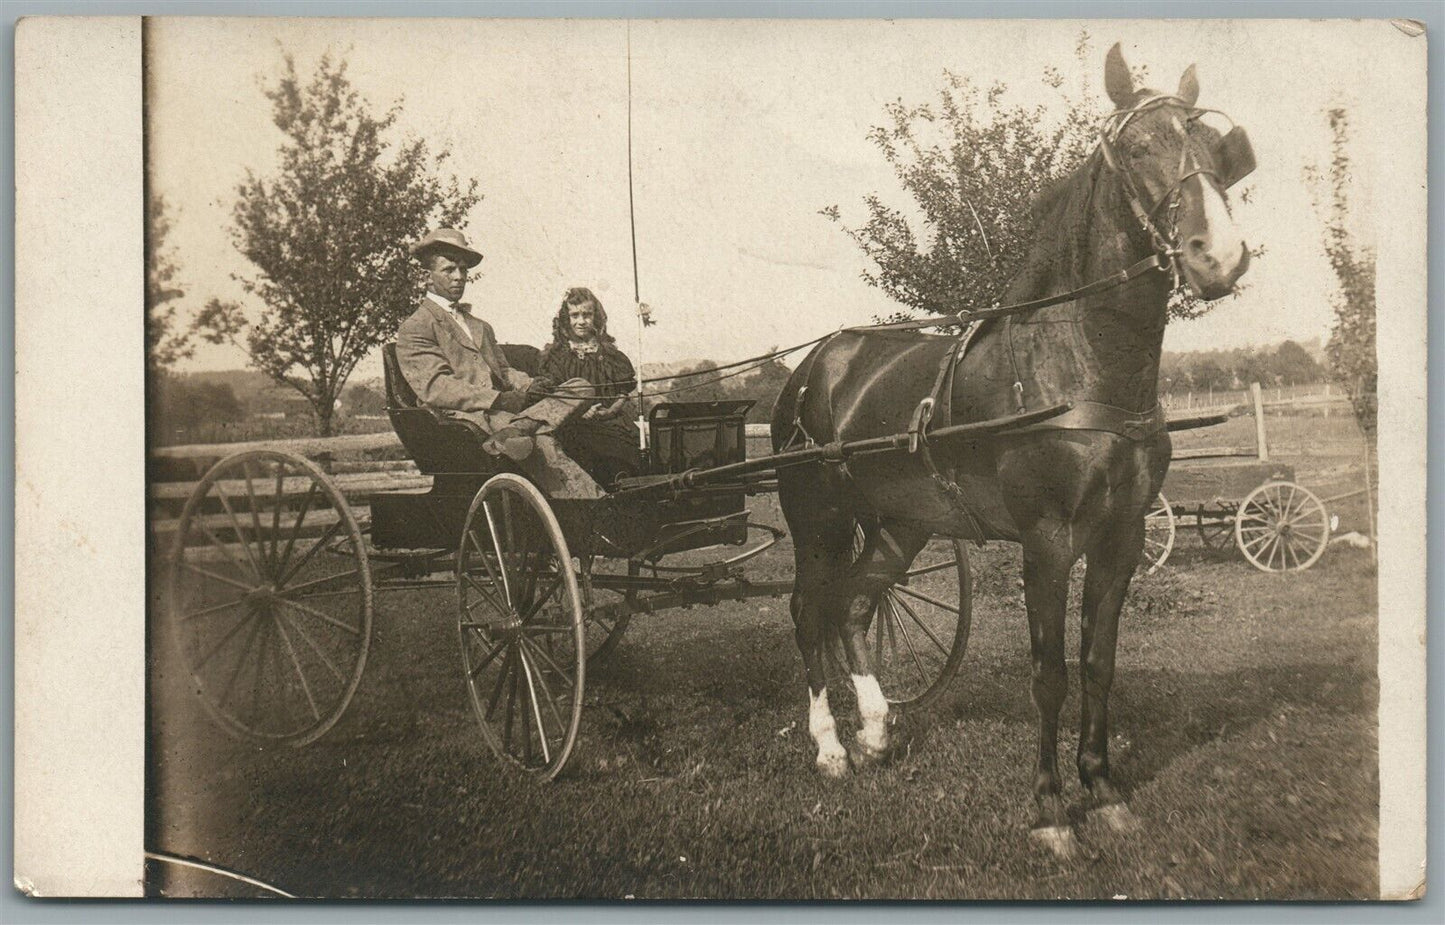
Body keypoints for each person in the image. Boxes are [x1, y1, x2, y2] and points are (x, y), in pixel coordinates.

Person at [394, 229, 604, 500]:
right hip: (466, 421)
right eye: (449, 269)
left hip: (508, 418)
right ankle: (593, 504)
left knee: (580, 387)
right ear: (428, 275)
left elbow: (504, 372)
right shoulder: (416, 327)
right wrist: (499, 400)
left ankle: (521, 428)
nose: (459, 276)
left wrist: (531, 385)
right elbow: (437, 388)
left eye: (462, 269)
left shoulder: (480, 326)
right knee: (541, 442)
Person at [538, 288, 645, 488]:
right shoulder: (557, 357)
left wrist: (610, 410)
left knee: (625, 457)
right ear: (565, 318)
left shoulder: (611, 355)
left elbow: (623, 391)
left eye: (587, 315)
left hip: (611, 420)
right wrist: (581, 412)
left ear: (595, 317)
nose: (581, 321)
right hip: (573, 425)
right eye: (574, 315)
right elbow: (553, 395)